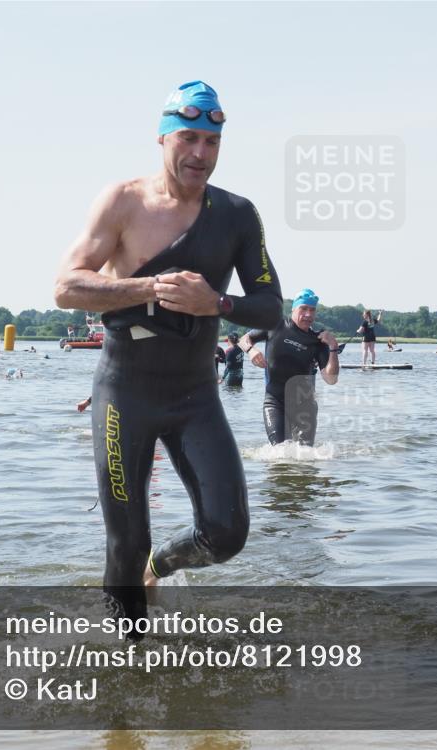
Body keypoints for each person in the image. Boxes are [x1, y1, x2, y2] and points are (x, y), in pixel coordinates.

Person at [53, 80, 283, 622]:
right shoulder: (123, 202)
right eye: (188, 139)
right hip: (124, 389)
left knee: (226, 533)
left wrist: (216, 303)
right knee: (124, 542)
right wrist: (146, 288)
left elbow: (271, 307)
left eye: (212, 142)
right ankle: (125, 668)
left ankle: (160, 564)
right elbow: (65, 287)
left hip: (193, 391)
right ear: (162, 140)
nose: (200, 154)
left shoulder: (237, 215)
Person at [239, 289, 340, 446]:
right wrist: (250, 350)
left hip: (304, 405)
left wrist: (333, 347)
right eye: (304, 309)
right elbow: (244, 339)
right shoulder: (275, 325)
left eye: (312, 310)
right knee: (279, 451)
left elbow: (331, 379)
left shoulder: (318, 341)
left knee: (305, 454)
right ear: (294, 308)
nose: (308, 314)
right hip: (274, 401)